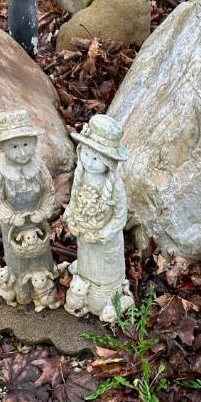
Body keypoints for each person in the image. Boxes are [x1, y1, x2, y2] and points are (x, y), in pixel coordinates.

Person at [63, 114, 133, 322]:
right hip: (85, 233)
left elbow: (120, 215)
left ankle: (108, 299)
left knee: (103, 267)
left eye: (97, 159)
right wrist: (70, 212)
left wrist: (108, 230)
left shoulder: (114, 185)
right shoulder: (82, 174)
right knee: (86, 259)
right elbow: (75, 197)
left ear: (109, 162)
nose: (90, 163)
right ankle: (82, 290)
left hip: (105, 240)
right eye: (86, 154)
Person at [0, 110, 57, 307]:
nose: (22, 152)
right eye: (14, 146)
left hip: (36, 217)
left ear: (34, 142)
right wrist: (10, 217)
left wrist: (43, 211)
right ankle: (22, 289)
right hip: (13, 222)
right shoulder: (0, 170)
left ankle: (47, 286)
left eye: (26, 144)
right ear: (2, 147)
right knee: (16, 255)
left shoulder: (38, 164)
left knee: (42, 253)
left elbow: (48, 190)